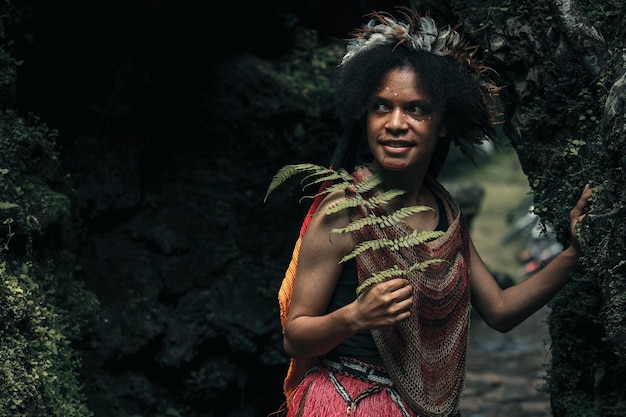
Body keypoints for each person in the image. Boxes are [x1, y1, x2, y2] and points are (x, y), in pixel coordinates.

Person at [270, 8, 594, 417]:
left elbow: (500, 310)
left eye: (416, 109)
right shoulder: (343, 210)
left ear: (443, 123)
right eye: (381, 107)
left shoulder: (445, 213)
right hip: (346, 403)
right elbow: (295, 337)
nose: (396, 123)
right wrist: (357, 315)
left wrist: (573, 255)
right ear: (363, 115)